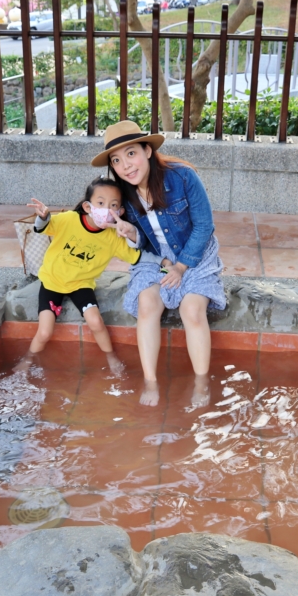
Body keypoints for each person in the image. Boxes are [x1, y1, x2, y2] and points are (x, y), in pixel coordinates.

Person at [92, 120, 226, 408]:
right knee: (148, 305)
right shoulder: (123, 193)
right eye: (116, 160)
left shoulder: (183, 177)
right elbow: (144, 243)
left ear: (147, 150)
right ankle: (150, 380)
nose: (125, 165)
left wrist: (180, 268)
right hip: (157, 256)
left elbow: (204, 226)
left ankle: (201, 381)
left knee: (191, 309)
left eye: (131, 154)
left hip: (194, 252)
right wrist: (132, 234)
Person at [23, 177, 145, 374]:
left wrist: (131, 234)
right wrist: (44, 216)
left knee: (96, 322)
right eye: (101, 203)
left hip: (82, 284)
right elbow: (42, 227)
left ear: (120, 212)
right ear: (88, 207)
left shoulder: (113, 237)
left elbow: (136, 256)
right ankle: (27, 360)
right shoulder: (69, 219)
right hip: (52, 282)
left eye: (113, 205)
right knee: (44, 331)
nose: (107, 209)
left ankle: (111, 357)